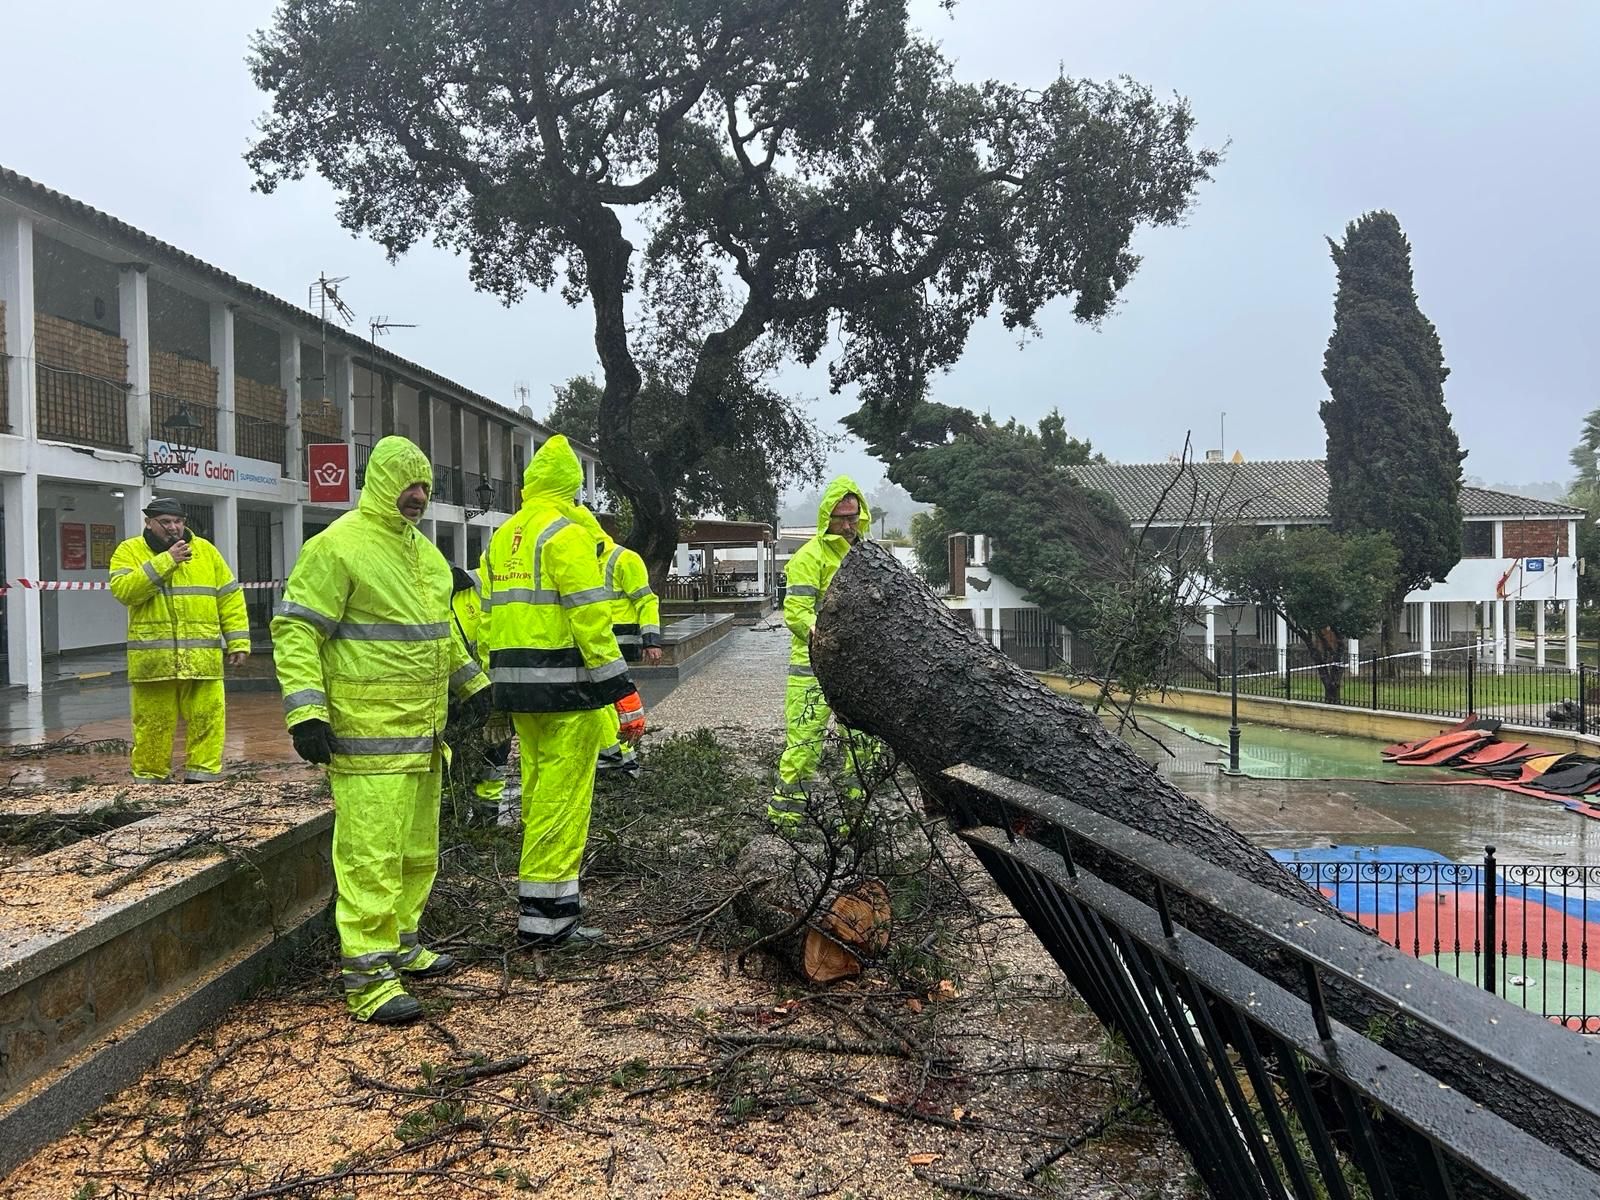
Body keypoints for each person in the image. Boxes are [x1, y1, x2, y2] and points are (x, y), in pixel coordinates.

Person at [273, 436, 491, 1025]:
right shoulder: (337, 548)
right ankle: (367, 980)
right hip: (364, 739)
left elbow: (439, 636)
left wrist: (473, 685)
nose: (418, 496)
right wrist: (306, 713)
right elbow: (296, 632)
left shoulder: (423, 557)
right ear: (381, 485)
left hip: (423, 738)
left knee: (417, 853)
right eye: (407, 486)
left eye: (424, 486)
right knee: (370, 856)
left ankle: (401, 944)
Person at [479, 435, 638, 947]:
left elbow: (489, 617)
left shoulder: (503, 536)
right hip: (569, 691)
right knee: (562, 804)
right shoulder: (565, 533)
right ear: (571, 486)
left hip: (517, 691)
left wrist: (493, 688)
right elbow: (591, 619)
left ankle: (542, 912)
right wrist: (622, 690)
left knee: (536, 796)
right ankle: (550, 923)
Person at [109, 497, 250, 783]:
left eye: (178, 521)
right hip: (153, 662)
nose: (173, 528)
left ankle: (202, 780)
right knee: (152, 726)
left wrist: (238, 640)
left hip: (203, 660)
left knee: (208, 720)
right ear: (149, 523)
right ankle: (150, 783)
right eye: (165, 522)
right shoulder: (129, 551)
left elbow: (229, 596)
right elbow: (125, 592)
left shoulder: (206, 552)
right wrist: (167, 561)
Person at [768, 477, 882, 828]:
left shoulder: (868, 555)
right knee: (803, 745)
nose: (848, 524)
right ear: (826, 518)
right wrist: (822, 637)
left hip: (860, 670)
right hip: (812, 668)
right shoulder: (809, 558)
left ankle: (856, 821)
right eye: (841, 517)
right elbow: (796, 610)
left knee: (864, 747)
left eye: (853, 516)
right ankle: (785, 822)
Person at [570, 505, 658, 776]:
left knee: (605, 700)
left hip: (617, 640)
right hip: (596, 642)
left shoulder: (624, 559)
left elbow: (646, 600)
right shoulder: (582, 561)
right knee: (605, 701)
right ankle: (621, 756)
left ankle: (614, 757)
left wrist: (651, 640)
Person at [445, 564, 515, 824]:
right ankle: (450, 819)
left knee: (495, 754)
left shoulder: (478, 585)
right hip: (450, 700)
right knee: (451, 763)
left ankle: (486, 819)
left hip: (491, 693)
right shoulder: (426, 598)